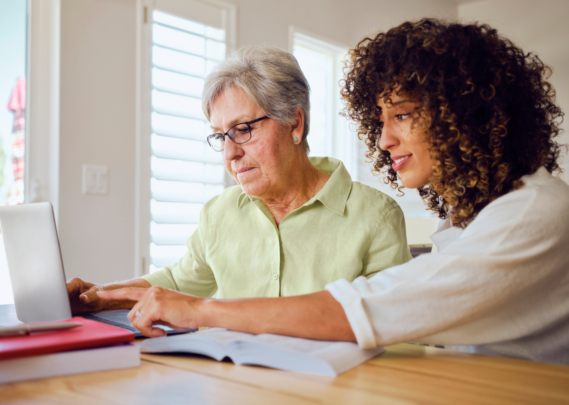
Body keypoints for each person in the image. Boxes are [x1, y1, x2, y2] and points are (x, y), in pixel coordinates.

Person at [99, 19, 569, 366]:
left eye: (402, 115)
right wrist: (101, 297)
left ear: (466, 112)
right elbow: (181, 279)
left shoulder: (533, 213)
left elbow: (376, 310)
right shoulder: (468, 220)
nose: (383, 141)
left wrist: (201, 310)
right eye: (381, 121)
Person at [68, 45, 412, 313]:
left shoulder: (376, 216)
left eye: (243, 129)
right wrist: (100, 297)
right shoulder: (218, 214)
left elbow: (390, 324)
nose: (229, 153)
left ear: (295, 124)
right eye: (220, 136)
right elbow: (177, 281)